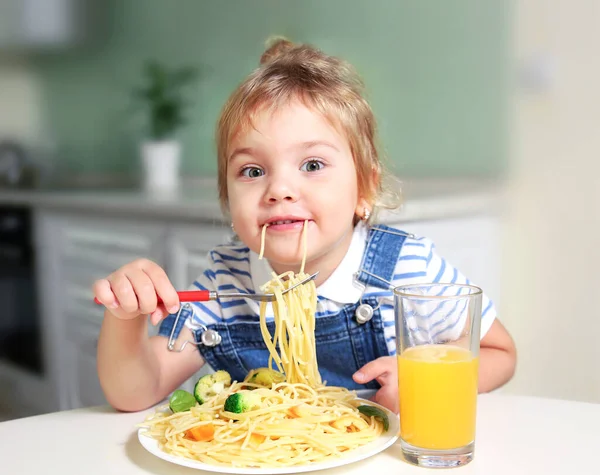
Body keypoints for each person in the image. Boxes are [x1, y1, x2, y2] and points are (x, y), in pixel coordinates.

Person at [93, 38, 516, 414]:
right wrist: (125, 315)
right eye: (252, 170)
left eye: (312, 165)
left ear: (364, 189)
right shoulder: (226, 286)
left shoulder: (408, 270)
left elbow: (499, 351)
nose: (279, 188)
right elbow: (135, 390)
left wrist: (429, 380)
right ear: (227, 198)